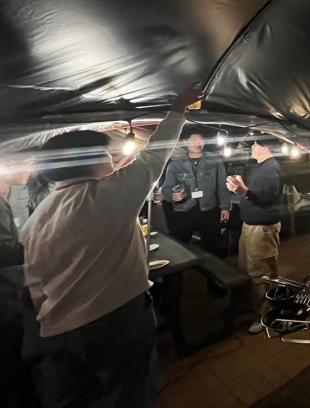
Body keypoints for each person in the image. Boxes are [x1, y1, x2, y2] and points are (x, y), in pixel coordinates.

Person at [19, 84, 202, 408]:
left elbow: (35, 285)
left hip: (57, 332)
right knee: (128, 397)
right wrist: (178, 109)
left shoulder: (38, 217)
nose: (113, 163)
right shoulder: (105, 195)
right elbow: (155, 155)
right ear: (88, 162)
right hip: (115, 322)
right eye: (107, 156)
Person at [226, 138, 287, 334]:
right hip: (251, 226)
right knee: (247, 269)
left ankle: (267, 313)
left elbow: (267, 196)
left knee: (262, 273)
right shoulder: (260, 166)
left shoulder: (271, 168)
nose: (251, 147)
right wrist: (242, 189)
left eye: (255, 144)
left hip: (263, 229)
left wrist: (244, 192)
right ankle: (254, 307)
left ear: (266, 147)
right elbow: (254, 193)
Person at [1, 157, 36, 408]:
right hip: (5, 301)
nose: (32, 169)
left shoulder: (7, 198)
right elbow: (5, 252)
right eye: (28, 162)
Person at [161, 128, 231, 255]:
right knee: (179, 247)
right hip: (184, 211)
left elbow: (222, 185)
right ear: (185, 142)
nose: (198, 143)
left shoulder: (215, 161)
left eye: (201, 140)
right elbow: (166, 187)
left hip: (209, 210)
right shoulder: (175, 165)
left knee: (213, 246)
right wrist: (172, 195)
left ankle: (215, 266)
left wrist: (225, 207)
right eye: (193, 140)